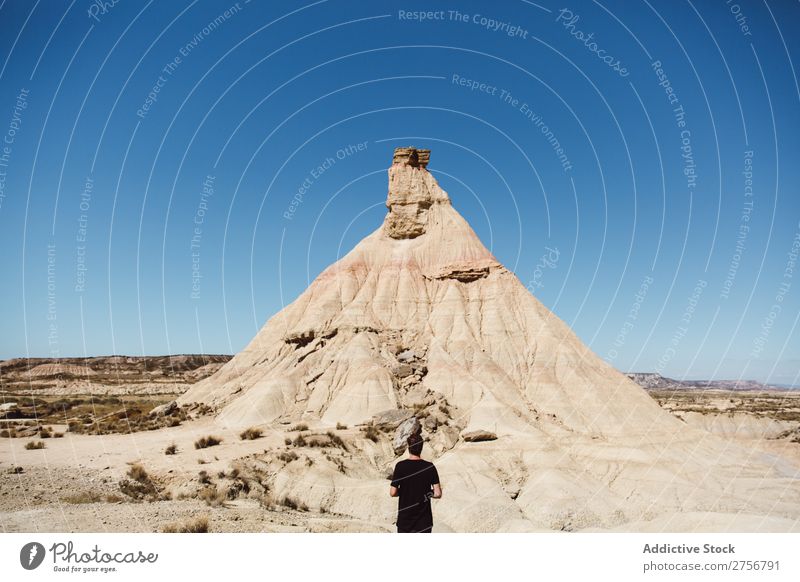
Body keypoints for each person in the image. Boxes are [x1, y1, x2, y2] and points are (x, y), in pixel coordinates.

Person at [389, 432, 442, 533]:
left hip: (405, 522)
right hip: (424, 522)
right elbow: (437, 493)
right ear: (421, 448)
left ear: (409, 447)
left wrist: (405, 492)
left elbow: (393, 492)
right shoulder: (429, 466)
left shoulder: (400, 466)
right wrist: (426, 493)